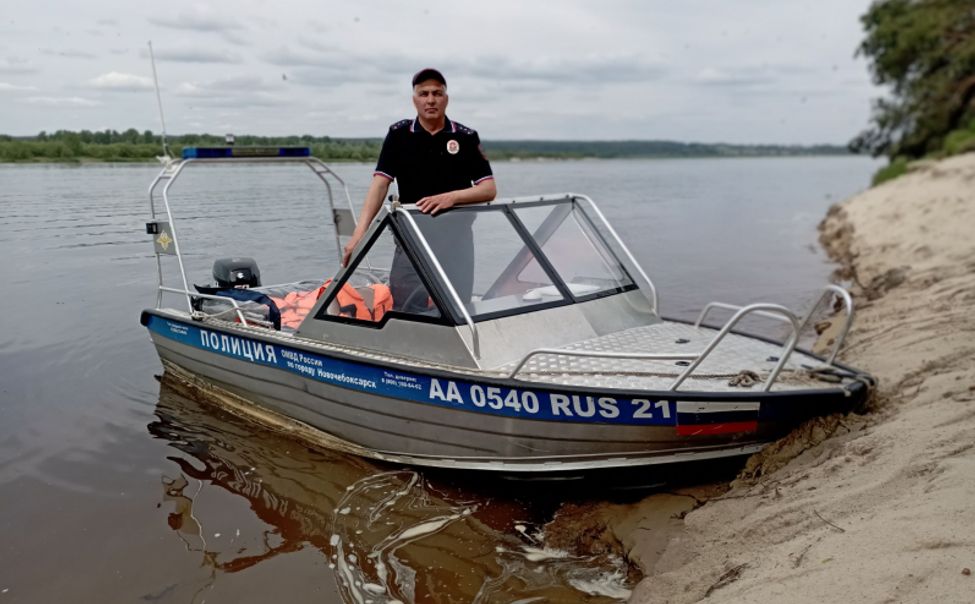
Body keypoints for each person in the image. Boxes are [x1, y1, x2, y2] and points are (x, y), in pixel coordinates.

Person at [341, 68, 496, 312]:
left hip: (456, 239)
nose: (430, 100)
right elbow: (380, 184)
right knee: (406, 308)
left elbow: (488, 189)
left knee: (459, 309)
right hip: (412, 238)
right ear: (415, 99)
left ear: (446, 98)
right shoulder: (399, 135)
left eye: (437, 93)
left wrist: (452, 197)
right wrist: (359, 234)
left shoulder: (465, 137)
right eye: (424, 94)